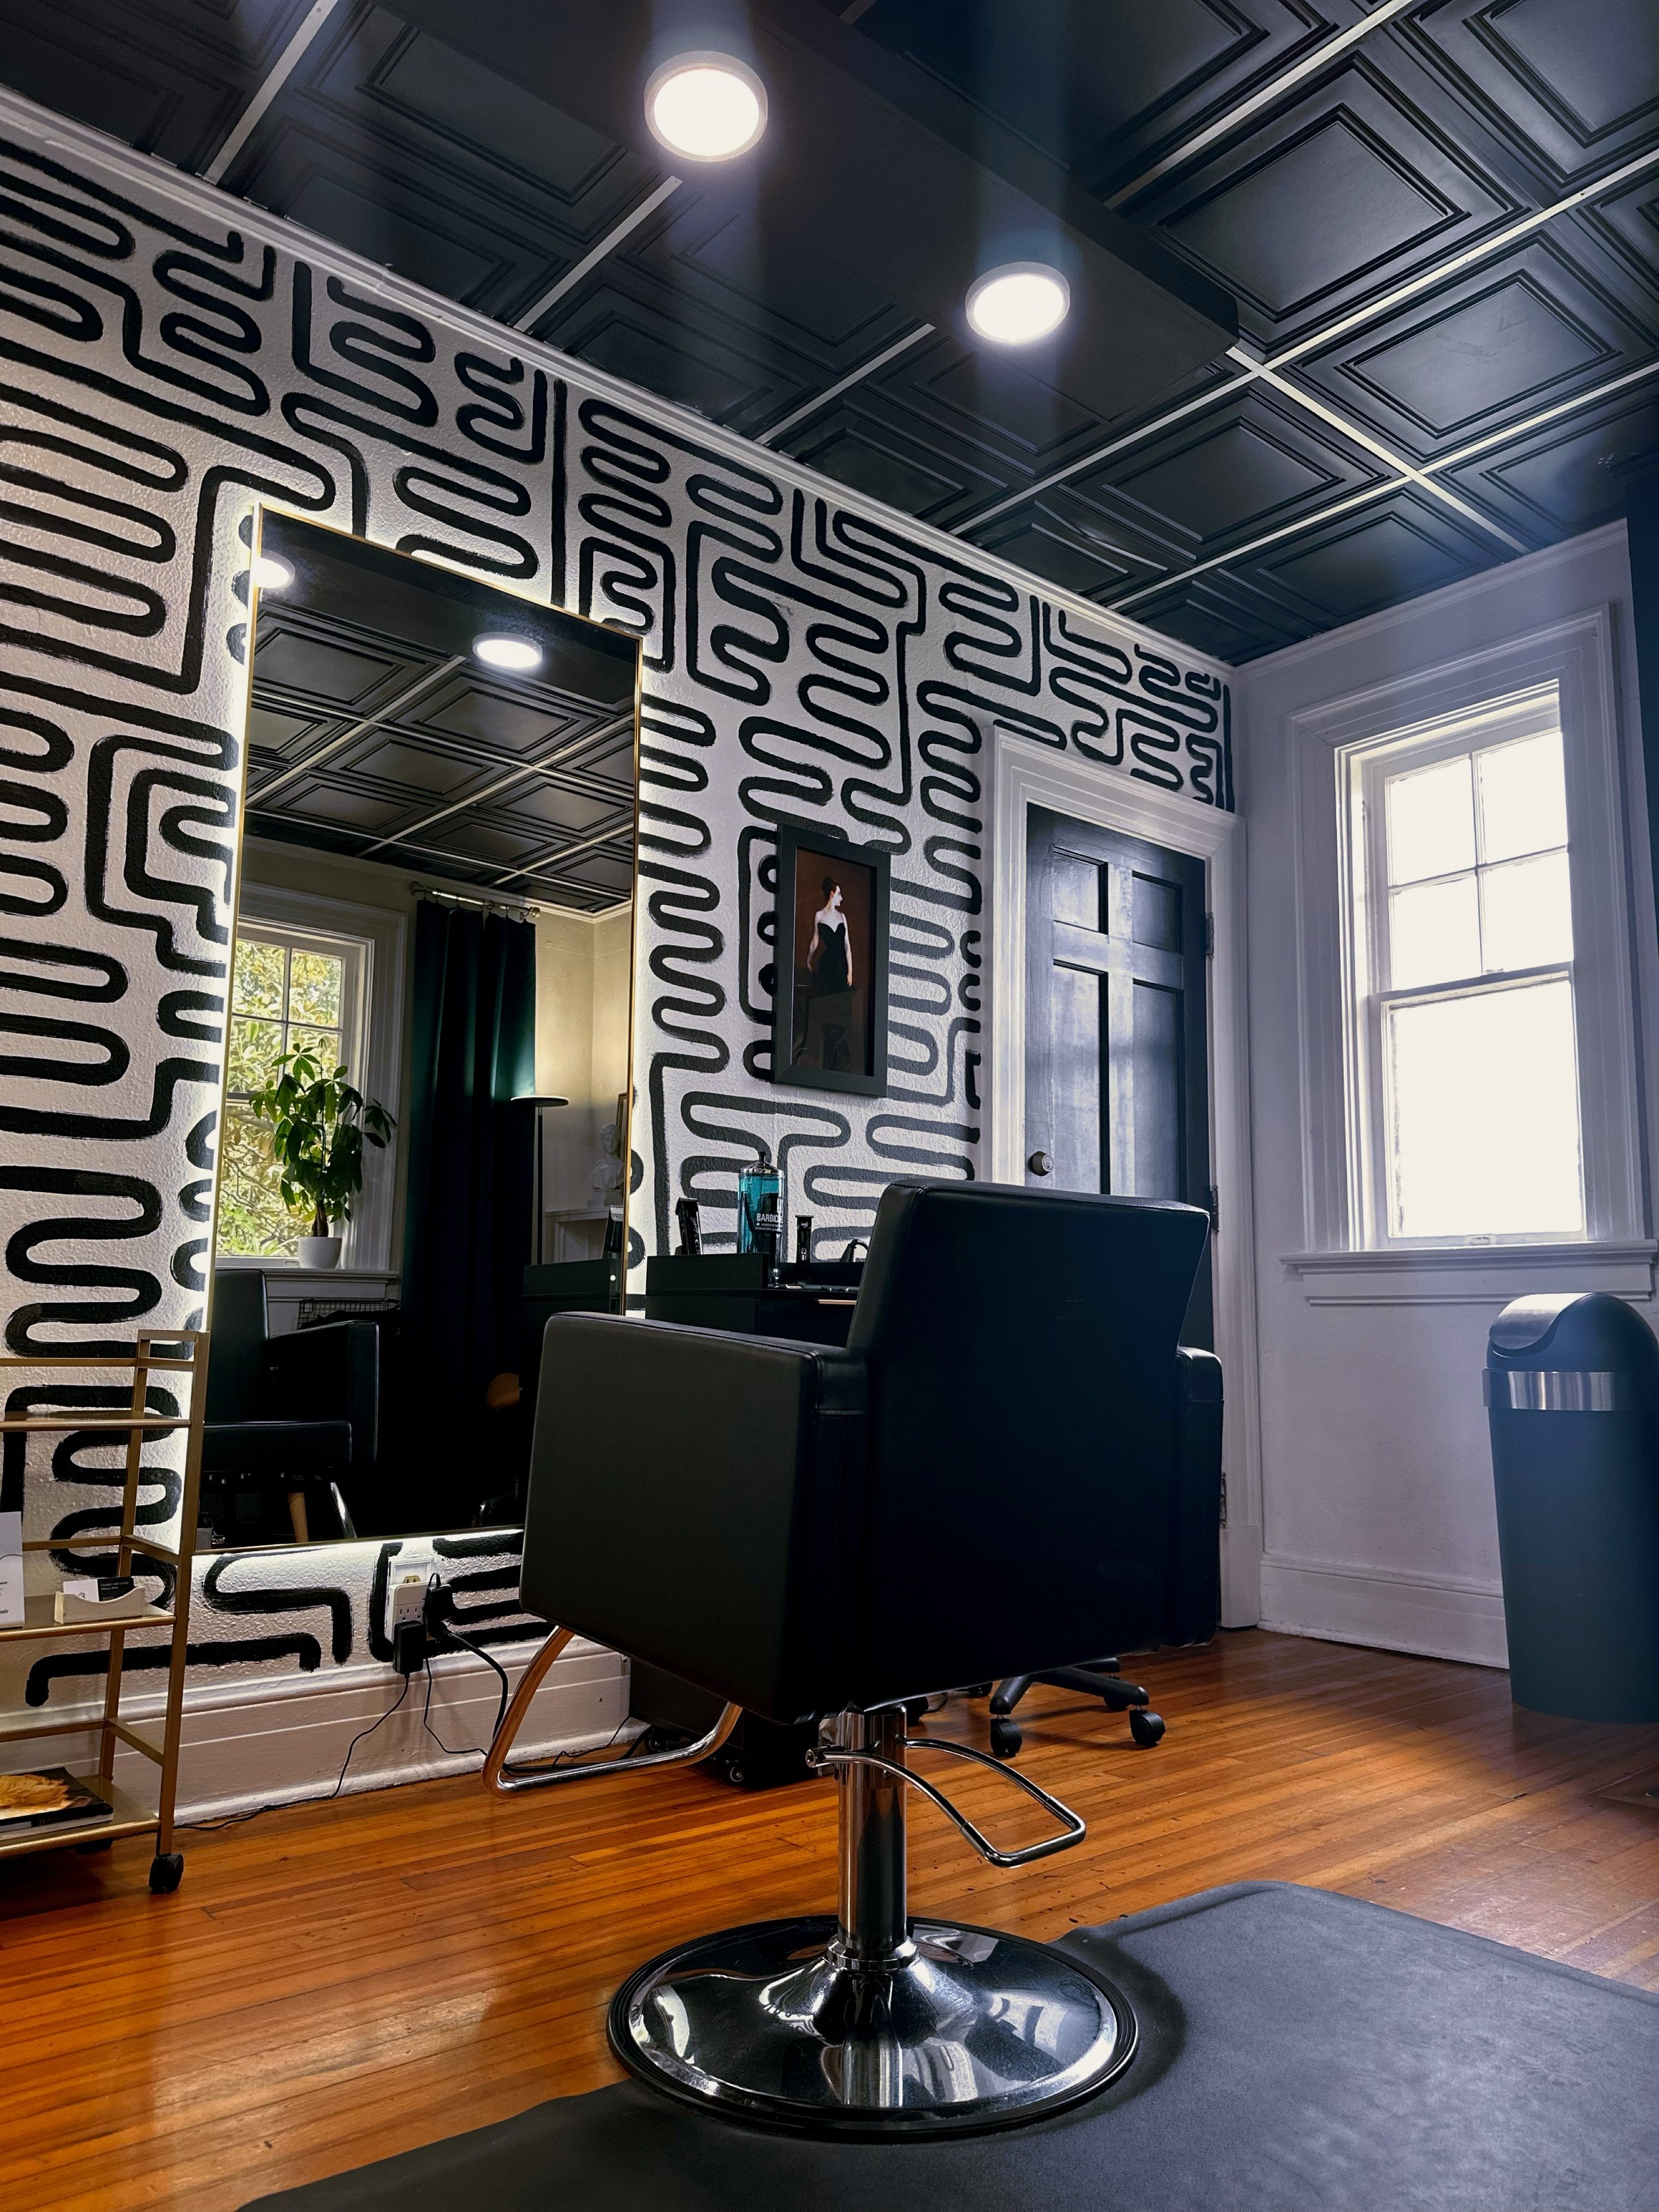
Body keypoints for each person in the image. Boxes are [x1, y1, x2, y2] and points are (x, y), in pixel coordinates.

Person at [808, 877, 852, 995]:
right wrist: (809, 960)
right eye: (839, 894)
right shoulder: (819, 915)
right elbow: (815, 941)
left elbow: (847, 946)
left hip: (841, 963)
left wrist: (850, 972)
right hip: (827, 963)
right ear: (832, 894)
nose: (841, 898)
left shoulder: (842, 917)